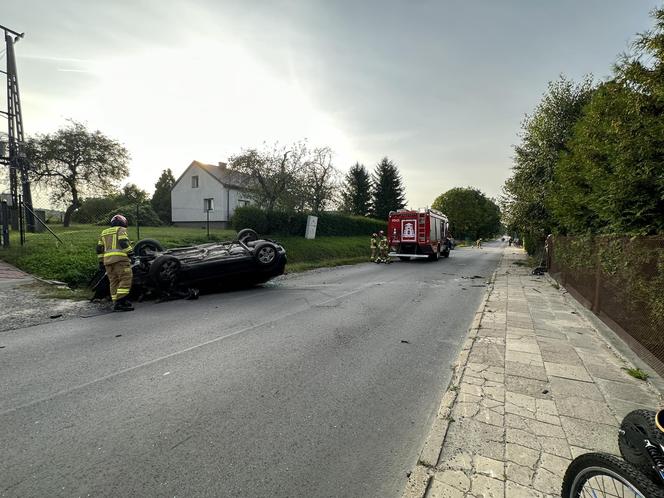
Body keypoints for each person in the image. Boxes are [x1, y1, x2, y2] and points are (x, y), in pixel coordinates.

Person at [96, 214, 134, 311]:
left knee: (113, 281)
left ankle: (116, 302)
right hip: (120, 260)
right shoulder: (121, 230)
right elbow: (123, 242)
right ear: (123, 222)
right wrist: (130, 253)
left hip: (107, 262)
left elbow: (99, 249)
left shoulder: (104, 232)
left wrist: (101, 262)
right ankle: (120, 302)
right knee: (125, 279)